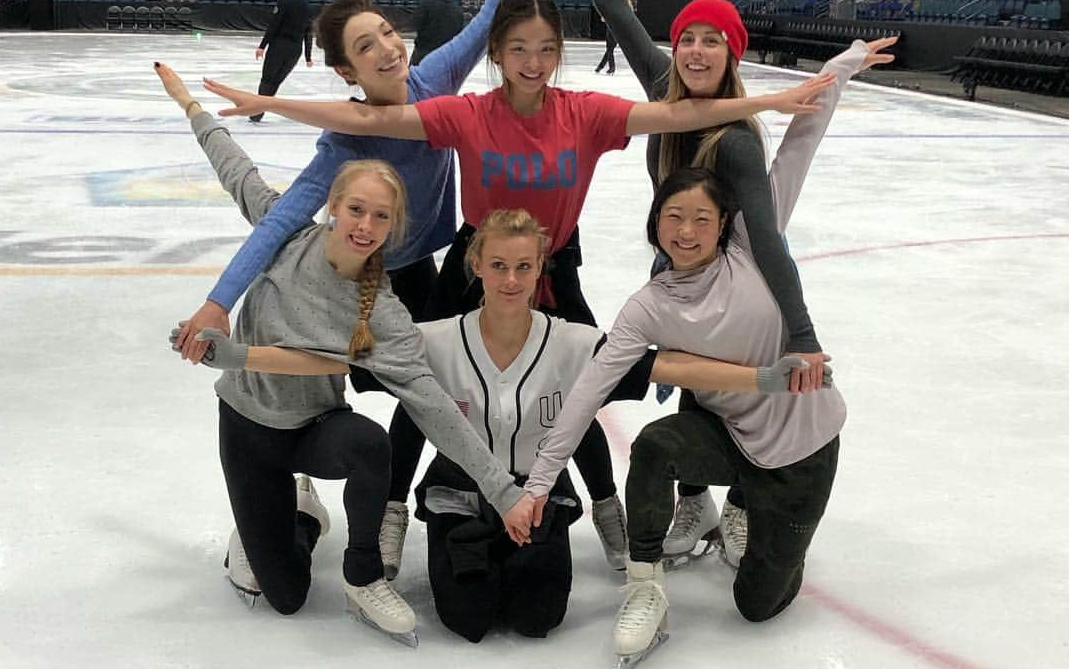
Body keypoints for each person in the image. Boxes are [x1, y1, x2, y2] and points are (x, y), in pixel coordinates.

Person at [200, 0, 836, 572]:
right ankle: (394, 508)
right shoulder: (468, 114)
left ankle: (607, 510)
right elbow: (370, 121)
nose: (533, 62)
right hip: (475, 271)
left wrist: (773, 101)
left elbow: (675, 115)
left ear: (559, 53)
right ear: (498, 54)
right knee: (423, 386)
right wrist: (268, 103)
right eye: (518, 49)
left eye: (546, 49)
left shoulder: (585, 112)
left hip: (552, 269)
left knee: (585, 383)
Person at [170, 0, 576, 579]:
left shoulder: (435, 77)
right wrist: (218, 303)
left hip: (429, 270)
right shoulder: (339, 150)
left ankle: (434, 499)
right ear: (344, 70)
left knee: (446, 391)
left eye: (388, 33)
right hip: (362, 280)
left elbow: (489, 20)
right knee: (380, 392)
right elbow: (272, 227)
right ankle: (338, 502)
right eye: (368, 46)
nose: (389, 49)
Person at [265, 208, 812, 642]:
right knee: (466, 621)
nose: (510, 279)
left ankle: (568, 535)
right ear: (475, 265)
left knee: (538, 620)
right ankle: (311, 516)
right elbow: (335, 360)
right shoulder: (430, 340)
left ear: (540, 269)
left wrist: (765, 378)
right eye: (498, 265)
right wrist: (240, 355)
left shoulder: (571, 343)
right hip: (460, 495)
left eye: (523, 266)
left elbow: (663, 365)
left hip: (538, 498)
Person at [520, 38, 894, 669]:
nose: (686, 231)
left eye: (700, 217)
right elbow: (589, 392)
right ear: (655, 222)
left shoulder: (751, 247)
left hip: (802, 456)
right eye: (673, 217)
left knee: (758, 603)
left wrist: (845, 62)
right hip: (732, 438)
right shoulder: (647, 307)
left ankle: (765, 524)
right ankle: (645, 582)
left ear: (725, 222)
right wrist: (535, 484)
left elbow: (801, 143)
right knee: (657, 444)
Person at [558, 0, 894, 568]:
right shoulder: (662, 90)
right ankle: (694, 500)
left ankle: (738, 501)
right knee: (692, 377)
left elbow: (768, 236)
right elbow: (617, 8)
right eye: (688, 36)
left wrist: (800, 331)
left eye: (713, 39)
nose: (697, 48)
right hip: (679, 259)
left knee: (737, 375)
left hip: (737, 265)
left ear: (732, 53)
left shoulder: (737, 141)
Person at [155, 62, 530, 647]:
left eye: (381, 216)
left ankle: (361, 576)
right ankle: (298, 515)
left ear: (394, 227)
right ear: (334, 205)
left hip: (313, 430)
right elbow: (235, 169)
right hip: (248, 430)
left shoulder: (381, 311)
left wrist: (503, 492)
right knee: (285, 597)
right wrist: (193, 109)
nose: (366, 224)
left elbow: (432, 406)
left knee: (368, 442)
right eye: (356, 209)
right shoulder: (283, 235)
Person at [251, 0, 313, 124]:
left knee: (267, 80)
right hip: (295, 51)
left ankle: (256, 113)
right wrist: (308, 56)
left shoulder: (284, 1)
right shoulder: (307, 5)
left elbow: (274, 25)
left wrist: (262, 46)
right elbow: (308, 32)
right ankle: (259, 111)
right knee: (276, 82)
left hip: (279, 46)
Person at [410, 0, 464, 66]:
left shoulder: (426, 4)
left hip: (423, 59)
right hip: (446, 61)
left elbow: (415, 24)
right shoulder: (458, 11)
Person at [593, 0, 631, 75]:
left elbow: (605, 18)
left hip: (614, 28)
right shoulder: (625, 6)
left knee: (609, 49)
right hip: (617, 29)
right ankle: (600, 67)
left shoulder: (618, 5)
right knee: (609, 49)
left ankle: (611, 68)